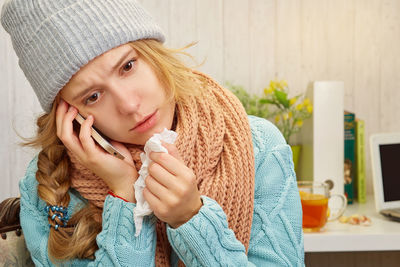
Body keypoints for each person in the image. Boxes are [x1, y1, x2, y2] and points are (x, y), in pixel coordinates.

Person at [1, 0, 304, 266]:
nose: (130, 105)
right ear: (70, 115)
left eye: (128, 66)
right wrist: (123, 193)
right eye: (93, 97)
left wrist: (191, 219)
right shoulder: (46, 187)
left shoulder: (259, 146)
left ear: (154, 54)